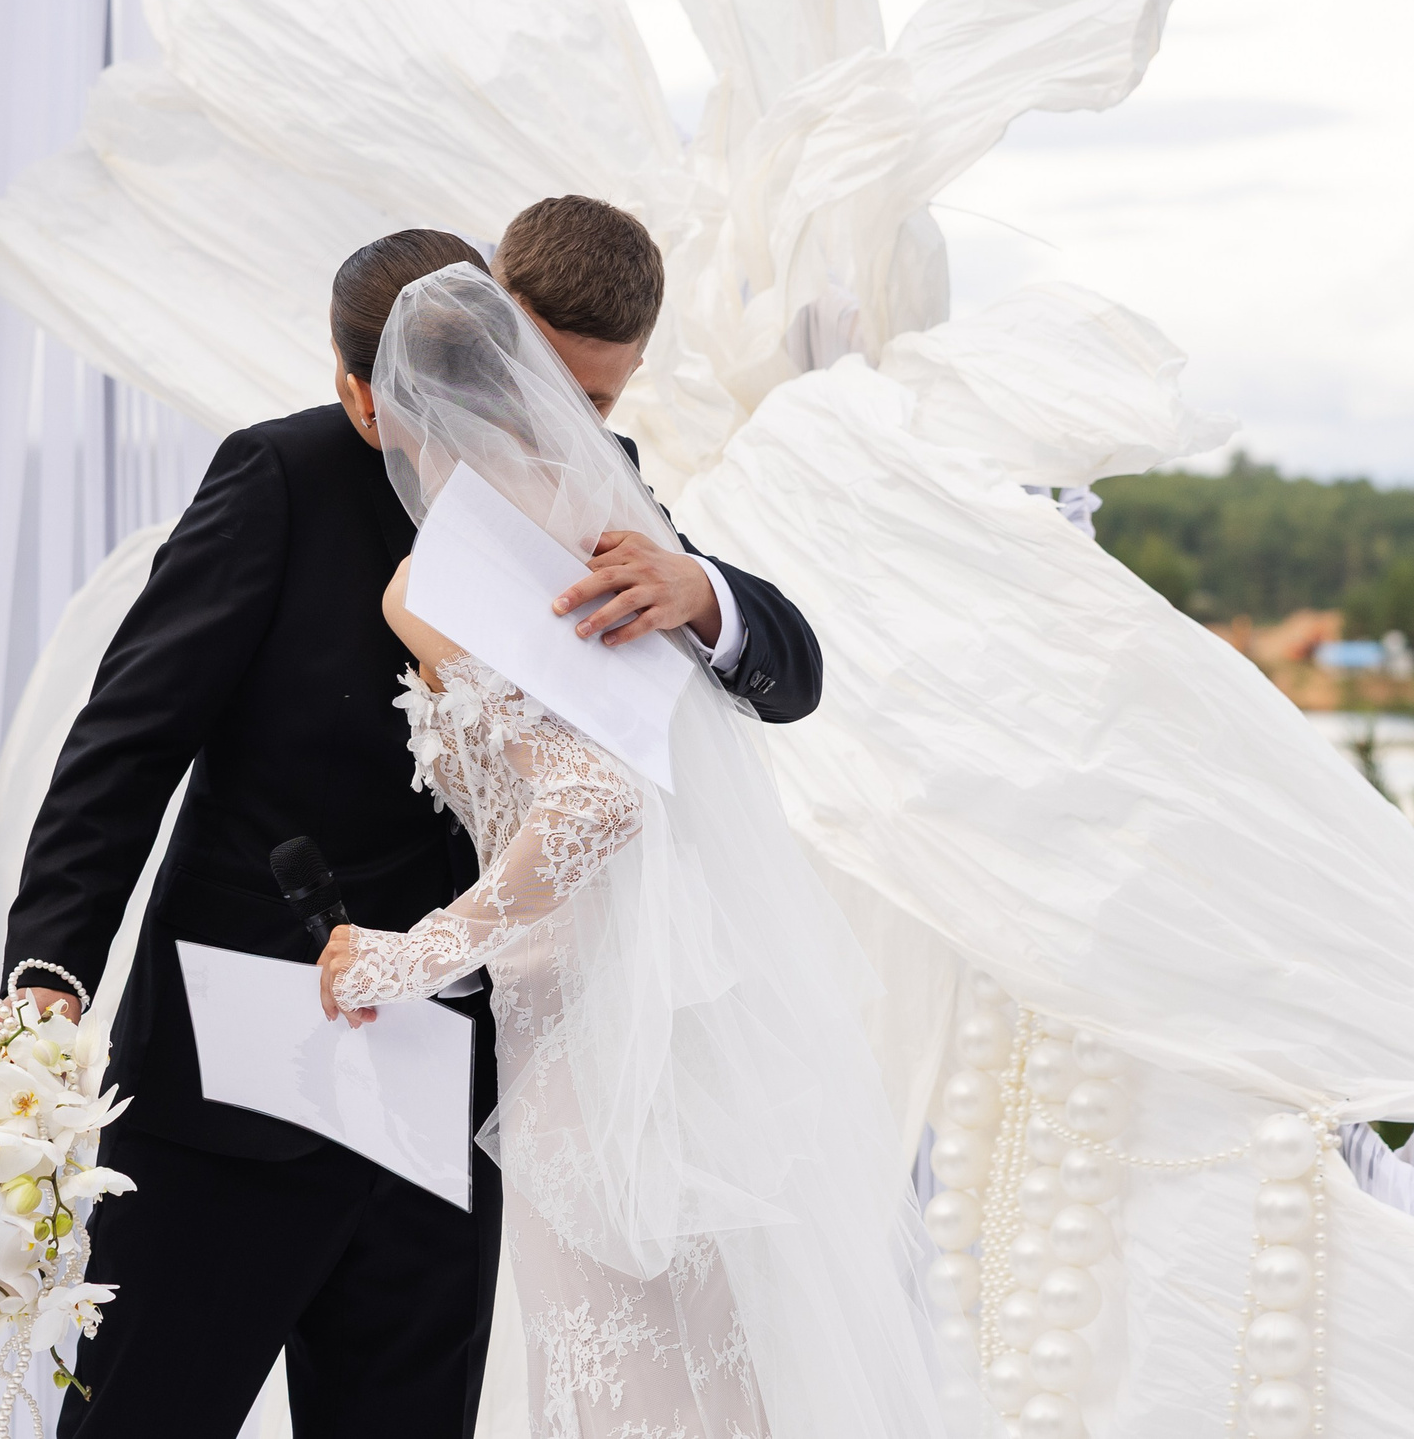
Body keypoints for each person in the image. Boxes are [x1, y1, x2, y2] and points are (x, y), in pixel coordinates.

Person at [0, 202, 824, 1439]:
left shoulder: (595, 494)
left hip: (449, 1098)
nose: (566, 426)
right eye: (546, 385)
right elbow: (124, 747)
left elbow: (790, 677)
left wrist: (701, 595)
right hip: (232, 1086)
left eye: (597, 408)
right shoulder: (282, 477)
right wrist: (49, 974)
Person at [315, 260, 946, 1439]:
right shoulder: (595, 520)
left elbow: (595, 804)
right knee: (711, 1371)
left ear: (382, 407)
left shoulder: (441, 578)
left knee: (630, 1382)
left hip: (586, 1031)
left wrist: (408, 958)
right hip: (688, 1010)